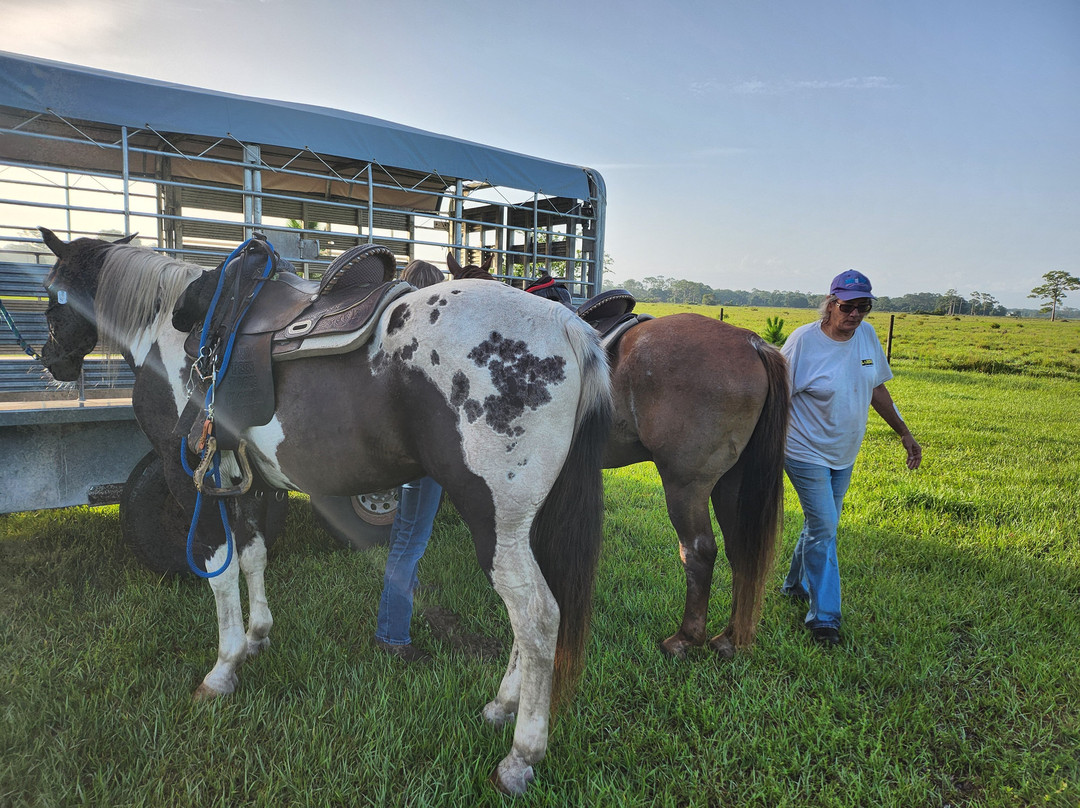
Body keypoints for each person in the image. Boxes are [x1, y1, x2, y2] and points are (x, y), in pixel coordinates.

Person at [780, 269, 922, 647]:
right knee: (825, 527)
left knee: (820, 525)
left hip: (844, 453)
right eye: (848, 306)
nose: (856, 315)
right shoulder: (802, 343)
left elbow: (876, 388)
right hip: (803, 450)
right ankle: (824, 618)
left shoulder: (867, 338)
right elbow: (776, 398)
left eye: (865, 307)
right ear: (830, 305)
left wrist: (904, 432)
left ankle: (793, 584)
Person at [374, 260, 446, 662]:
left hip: (401, 453)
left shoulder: (392, 333)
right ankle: (392, 636)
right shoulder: (428, 337)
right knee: (410, 541)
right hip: (421, 456)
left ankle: (408, 590)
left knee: (406, 531)